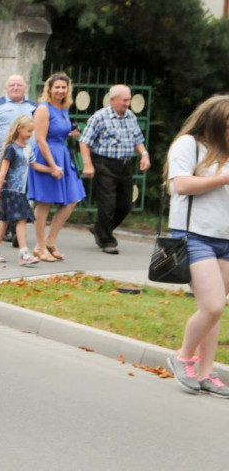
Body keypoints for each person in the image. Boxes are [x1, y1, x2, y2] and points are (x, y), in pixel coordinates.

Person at [163, 95, 229, 398]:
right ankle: (182, 357)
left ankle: (205, 373)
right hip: (193, 234)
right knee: (213, 304)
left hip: (225, 237)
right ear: (215, 120)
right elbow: (181, 185)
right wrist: (222, 177)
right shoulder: (188, 145)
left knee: (212, 310)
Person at [78, 84, 150, 254]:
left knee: (126, 204)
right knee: (107, 203)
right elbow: (84, 141)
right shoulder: (100, 117)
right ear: (112, 100)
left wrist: (144, 154)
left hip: (125, 165)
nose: (127, 103)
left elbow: (138, 139)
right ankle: (106, 240)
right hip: (104, 163)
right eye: (124, 100)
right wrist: (87, 164)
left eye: (129, 99)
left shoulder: (130, 116)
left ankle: (99, 228)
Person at [27, 72, 85, 262]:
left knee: (73, 197)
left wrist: (71, 135)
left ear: (68, 89)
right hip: (47, 156)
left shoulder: (64, 107)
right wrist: (52, 165)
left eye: (64, 87)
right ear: (49, 89)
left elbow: (59, 133)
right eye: (57, 87)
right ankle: (39, 246)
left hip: (63, 153)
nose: (60, 90)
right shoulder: (43, 109)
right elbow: (40, 139)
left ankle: (51, 240)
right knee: (45, 202)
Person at [0, 74, 37, 245]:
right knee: (11, 195)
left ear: (25, 87)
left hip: (26, 160)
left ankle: (7, 230)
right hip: (4, 159)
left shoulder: (33, 107)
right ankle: (14, 232)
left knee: (18, 195)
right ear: (6, 88)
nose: (16, 88)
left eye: (19, 85)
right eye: (12, 85)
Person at [0, 115, 39, 265]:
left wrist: (53, 169)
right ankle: (24, 253)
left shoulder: (28, 148)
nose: (31, 134)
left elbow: (35, 165)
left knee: (5, 220)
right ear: (19, 129)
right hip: (9, 190)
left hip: (20, 191)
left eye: (32, 131)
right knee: (21, 219)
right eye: (29, 131)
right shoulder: (12, 148)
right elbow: (3, 170)